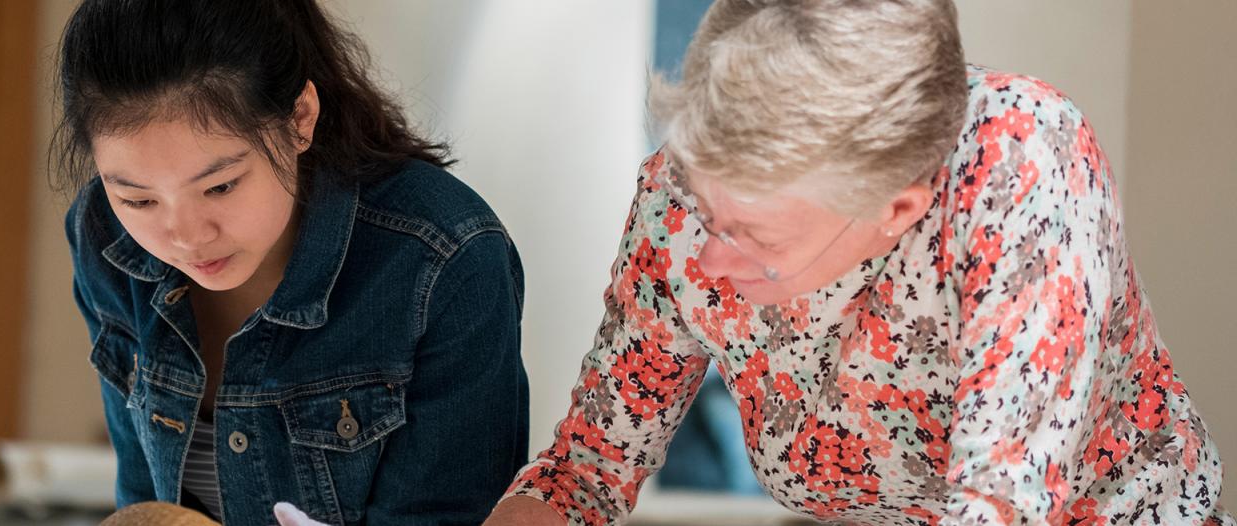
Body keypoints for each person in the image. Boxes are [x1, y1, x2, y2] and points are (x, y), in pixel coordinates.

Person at [486, 0, 1230, 524]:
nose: (706, 260)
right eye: (704, 210)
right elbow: (585, 474)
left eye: (755, 236)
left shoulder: (1023, 167)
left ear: (895, 210)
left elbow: (999, 504)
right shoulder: (677, 198)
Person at [55, 1, 530, 524]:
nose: (187, 237)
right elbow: (145, 509)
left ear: (300, 118)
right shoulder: (101, 235)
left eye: (220, 186)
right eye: (138, 200)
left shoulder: (442, 254)